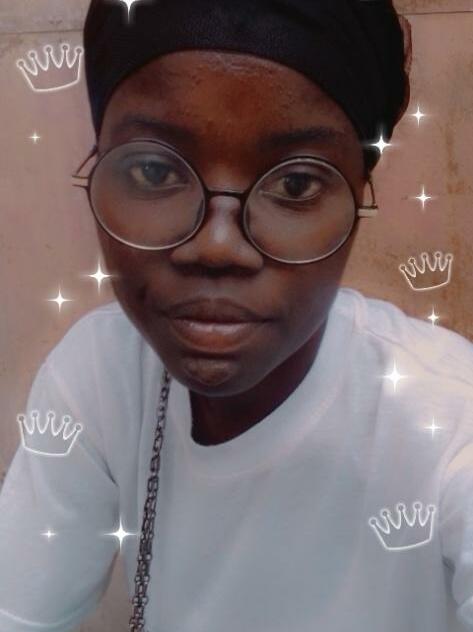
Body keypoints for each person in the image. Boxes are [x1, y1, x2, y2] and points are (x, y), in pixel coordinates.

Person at [1, 1, 473, 631]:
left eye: (296, 185)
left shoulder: (450, 422)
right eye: (154, 169)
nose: (217, 246)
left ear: (359, 194)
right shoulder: (100, 376)